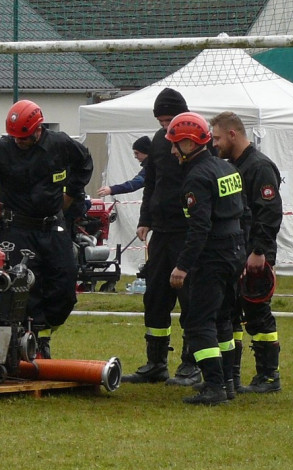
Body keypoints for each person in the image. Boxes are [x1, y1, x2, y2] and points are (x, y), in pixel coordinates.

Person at [0, 100, 93, 359]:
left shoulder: (60, 144)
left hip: (53, 226)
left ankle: (45, 332)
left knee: (65, 285)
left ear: (38, 130)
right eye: (15, 137)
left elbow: (84, 163)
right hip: (18, 228)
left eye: (24, 137)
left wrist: (71, 193)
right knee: (25, 288)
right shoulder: (3, 149)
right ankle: (33, 342)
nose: (19, 142)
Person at [121, 88, 202, 385]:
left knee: (191, 299)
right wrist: (145, 219)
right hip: (161, 234)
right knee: (155, 296)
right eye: (161, 121)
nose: (166, 127)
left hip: (188, 232)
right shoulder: (158, 141)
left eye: (170, 120)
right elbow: (151, 183)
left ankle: (191, 363)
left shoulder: (198, 139)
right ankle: (156, 362)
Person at [164, 112, 245, 405]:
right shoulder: (226, 169)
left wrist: (182, 266)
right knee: (223, 318)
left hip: (212, 256)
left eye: (175, 144)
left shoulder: (196, 178)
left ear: (188, 143)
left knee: (198, 322)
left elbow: (199, 228)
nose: (172, 151)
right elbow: (242, 213)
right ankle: (228, 382)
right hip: (234, 251)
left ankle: (214, 385)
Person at [210, 111, 283, 394]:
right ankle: (234, 375)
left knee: (257, 312)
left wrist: (259, 251)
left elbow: (269, 212)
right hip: (236, 250)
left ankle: (268, 376)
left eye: (217, 137)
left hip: (255, 253)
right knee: (232, 311)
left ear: (233, 134)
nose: (214, 144)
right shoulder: (232, 166)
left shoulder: (259, 167)